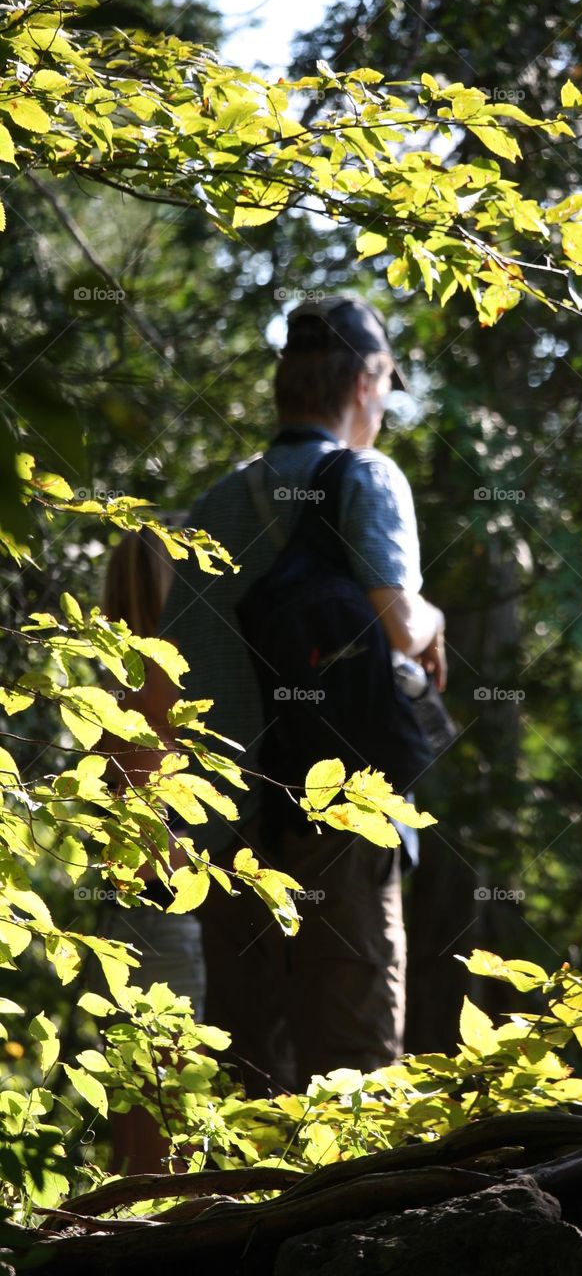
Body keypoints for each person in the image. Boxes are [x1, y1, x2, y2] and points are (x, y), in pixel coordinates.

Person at [155, 294, 446, 1097]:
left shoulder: (217, 502)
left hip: (227, 829)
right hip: (340, 813)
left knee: (249, 1063)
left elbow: (166, 671)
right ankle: (356, 1220)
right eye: (386, 383)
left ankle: (250, 1225)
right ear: (365, 383)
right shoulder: (365, 477)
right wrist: (433, 620)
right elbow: (396, 618)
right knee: (352, 1058)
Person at [89, 524, 207, 1173]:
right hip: (166, 893)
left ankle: (125, 1224)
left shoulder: (104, 680)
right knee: (173, 1084)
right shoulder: (176, 668)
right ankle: (174, 1230)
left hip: (117, 900)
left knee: (129, 1087)